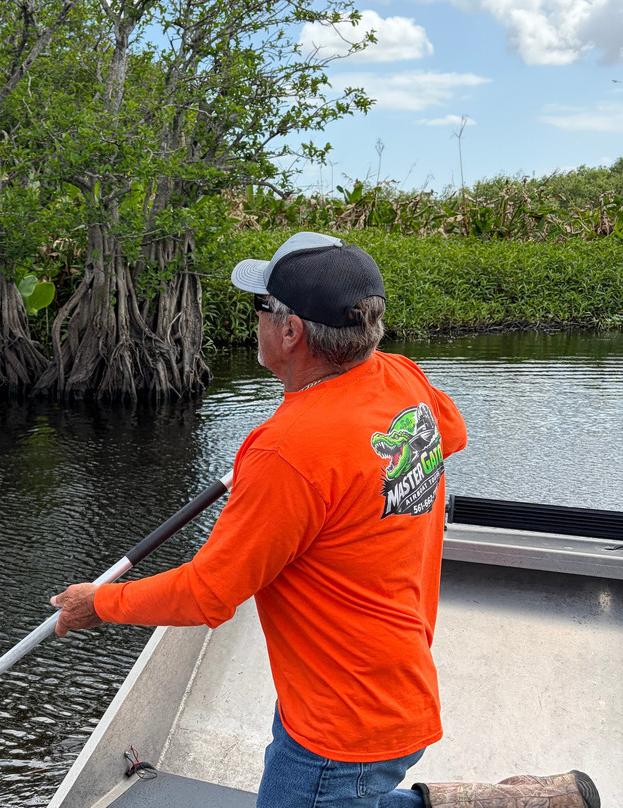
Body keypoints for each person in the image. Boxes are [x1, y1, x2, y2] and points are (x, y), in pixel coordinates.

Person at [49, 232, 601, 808]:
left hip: (341, 723)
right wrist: (312, 457)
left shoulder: (287, 452)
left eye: (259, 306)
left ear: (290, 331)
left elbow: (206, 595)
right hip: (381, 685)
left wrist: (100, 603)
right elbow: (450, 434)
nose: (254, 319)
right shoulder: (399, 376)